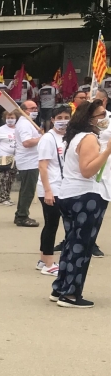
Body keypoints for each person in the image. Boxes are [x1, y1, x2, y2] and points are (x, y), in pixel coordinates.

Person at [50, 100, 111, 308]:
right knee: (81, 246)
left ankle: (61, 287)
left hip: (71, 195)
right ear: (89, 119)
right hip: (86, 196)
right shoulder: (88, 139)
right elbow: (87, 170)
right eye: (101, 115)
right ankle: (71, 293)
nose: (105, 118)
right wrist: (107, 151)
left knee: (71, 243)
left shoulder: (76, 137)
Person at [35, 105, 71, 277]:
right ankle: (48, 263)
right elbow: (43, 167)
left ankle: (43, 258)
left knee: (51, 223)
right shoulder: (48, 139)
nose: (63, 121)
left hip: (63, 186)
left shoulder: (67, 138)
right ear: (52, 120)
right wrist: (48, 191)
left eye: (66, 117)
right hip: (51, 188)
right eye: (59, 118)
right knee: (52, 224)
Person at [14, 100, 43, 227]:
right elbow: (27, 142)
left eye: (36, 108)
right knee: (28, 190)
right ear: (24, 110)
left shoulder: (28, 123)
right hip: (28, 162)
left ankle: (20, 214)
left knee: (26, 189)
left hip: (31, 161)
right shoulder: (24, 124)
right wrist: (43, 138)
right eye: (32, 109)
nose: (35, 111)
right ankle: (22, 216)